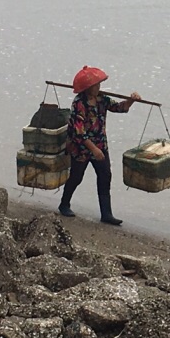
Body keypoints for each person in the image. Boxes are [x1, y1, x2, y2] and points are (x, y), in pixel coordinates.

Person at [59, 66, 140, 225]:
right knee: (76, 177)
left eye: (99, 84)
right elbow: (79, 132)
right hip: (81, 147)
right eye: (95, 85)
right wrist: (93, 149)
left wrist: (131, 101)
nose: (98, 87)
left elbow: (118, 107)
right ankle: (64, 204)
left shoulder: (102, 99)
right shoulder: (79, 104)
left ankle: (106, 214)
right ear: (88, 88)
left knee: (105, 176)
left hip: (100, 143)